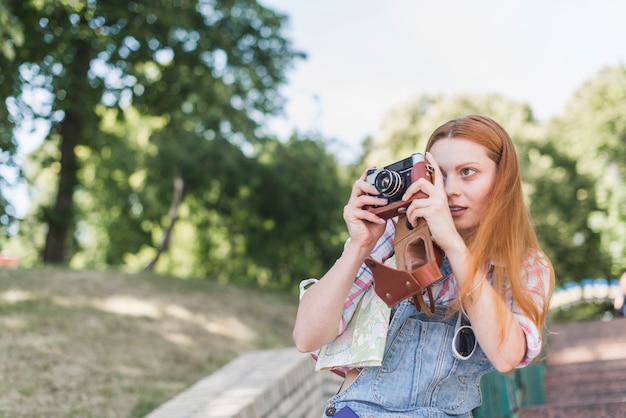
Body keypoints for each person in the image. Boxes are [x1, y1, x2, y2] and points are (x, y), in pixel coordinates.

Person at [293, 115, 555, 417]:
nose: (450, 190)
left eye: (468, 172)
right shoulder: (392, 238)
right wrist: (359, 246)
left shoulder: (523, 266)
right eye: (438, 176)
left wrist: (454, 246)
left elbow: (507, 356)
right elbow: (306, 337)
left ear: (502, 180)